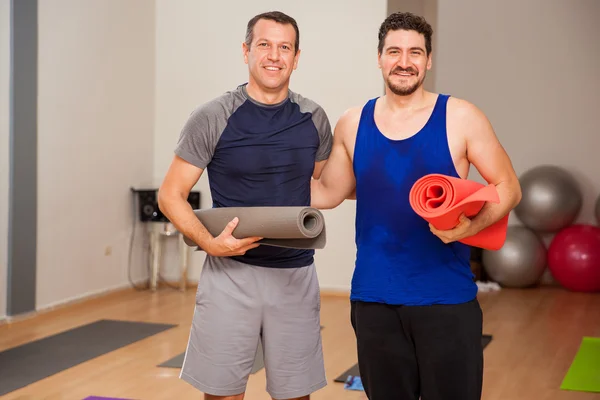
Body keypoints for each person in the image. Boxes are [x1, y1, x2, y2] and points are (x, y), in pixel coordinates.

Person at [310, 11, 522, 400]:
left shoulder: (461, 116)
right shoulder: (353, 122)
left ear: (428, 60)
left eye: (415, 52)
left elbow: (509, 187)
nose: (404, 61)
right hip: (373, 299)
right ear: (379, 57)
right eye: (394, 51)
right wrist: (265, 172)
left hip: (445, 300)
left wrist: (468, 229)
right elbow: (327, 192)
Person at [158, 11, 332, 400]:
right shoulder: (212, 116)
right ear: (246, 51)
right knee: (221, 394)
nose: (274, 56)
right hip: (230, 275)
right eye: (264, 45)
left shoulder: (314, 119)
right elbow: (170, 194)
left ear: (297, 56)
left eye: (284, 47)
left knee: (295, 394)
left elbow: (316, 188)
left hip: (295, 275)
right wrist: (209, 243)